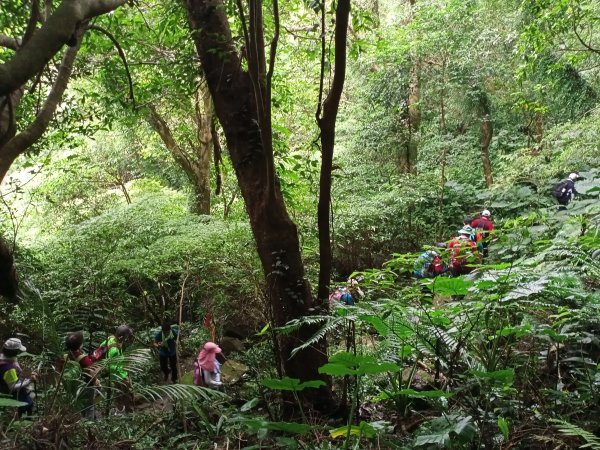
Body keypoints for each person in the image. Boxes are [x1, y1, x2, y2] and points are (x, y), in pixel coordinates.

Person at [65, 331, 97, 419]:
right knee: (89, 407)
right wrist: (96, 381)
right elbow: (92, 373)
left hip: (72, 386)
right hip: (86, 386)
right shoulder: (83, 359)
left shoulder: (65, 357)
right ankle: (89, 428)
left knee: (78, 406)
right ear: (80, 345)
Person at [0, 338, 36, 416]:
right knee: (27, 404)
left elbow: (17, 367)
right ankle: (24, 420)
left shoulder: (3, 358)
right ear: (15, 352)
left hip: (3, 386)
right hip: (14, 393)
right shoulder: (9, 369)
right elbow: (12, 387)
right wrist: (29, 381)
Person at [154, 319, 178, 383]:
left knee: (173, 366)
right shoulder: (159, 334)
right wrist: (158, 345)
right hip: (163, 352)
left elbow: (178, 337)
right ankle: (167, 373)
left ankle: (174, 378)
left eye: (168, 331)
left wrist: (178, 342)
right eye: (165, 331)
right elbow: (155, 343)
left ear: (170, 329)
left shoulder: (173, 332)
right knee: (163, 366)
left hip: (172, 351)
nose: (166, 332)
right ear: (162, 330)